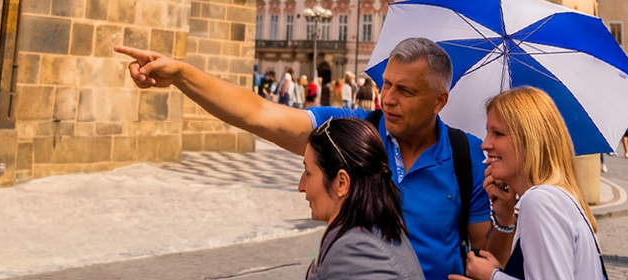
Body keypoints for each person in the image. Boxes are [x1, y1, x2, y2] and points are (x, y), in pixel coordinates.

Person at [116, 37, 508, 280]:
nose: (388, 98)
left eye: (405, 91)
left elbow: (483, 255)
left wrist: (504, 217)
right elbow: (259, 114)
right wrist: (182, 75)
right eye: (386, 83)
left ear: (440, 100)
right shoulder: (353, 133)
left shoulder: (467, 155)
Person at [452, 87, 603, 280]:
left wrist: (492, 277)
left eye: (497, 133)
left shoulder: (540, 201)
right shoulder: (554, 197)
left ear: (529, 140)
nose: (485, 144)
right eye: (488, 132)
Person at [300, 117, 423, 280]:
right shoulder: (382, 231)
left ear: (341, 183)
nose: (301, 186)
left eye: (308, 172)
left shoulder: (354, 252)